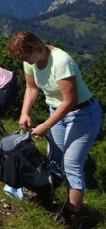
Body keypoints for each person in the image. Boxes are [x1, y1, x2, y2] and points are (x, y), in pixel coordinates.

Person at [6, 31, 102, 215]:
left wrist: (46, 125)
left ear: (36, 47)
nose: (24, 61)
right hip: (57, 111)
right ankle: (48, 197)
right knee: (54, 159)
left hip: (82, 114)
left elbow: (70, 100)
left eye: (25, 56)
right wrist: (24, 112)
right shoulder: (30, 61)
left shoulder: (61, 61)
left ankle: (72, 214)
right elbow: (31, 87)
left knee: (71, 163)